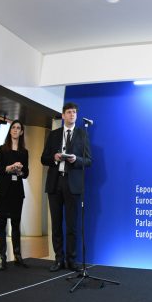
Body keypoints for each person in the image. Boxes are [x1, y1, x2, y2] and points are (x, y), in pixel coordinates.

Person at [41, 102, 92, 272]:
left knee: (71, 226)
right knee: (56, 225)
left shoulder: (82, 134)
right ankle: (58, 259)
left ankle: (71, 260)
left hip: (73, 185)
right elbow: (43, 159)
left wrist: (76, 159)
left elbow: (88, 161)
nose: (72, 115)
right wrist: (54, 157)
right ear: (63, 115)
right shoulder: (54, 134)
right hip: (55, 183)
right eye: (69, 112)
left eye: (74, 112)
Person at [0, 120, 30, 270]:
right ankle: (3, 258)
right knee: (2, 224)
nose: (15, 130)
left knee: (16, 224)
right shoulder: (2, 149)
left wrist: (20, 171)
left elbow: (26, 173)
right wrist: (9, 168)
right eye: (13, 127)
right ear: (10, 131)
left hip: (17, 192)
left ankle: (17, 256)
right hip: (3, 191)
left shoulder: (24, 152)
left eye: (18, 128)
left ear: (21, 132)